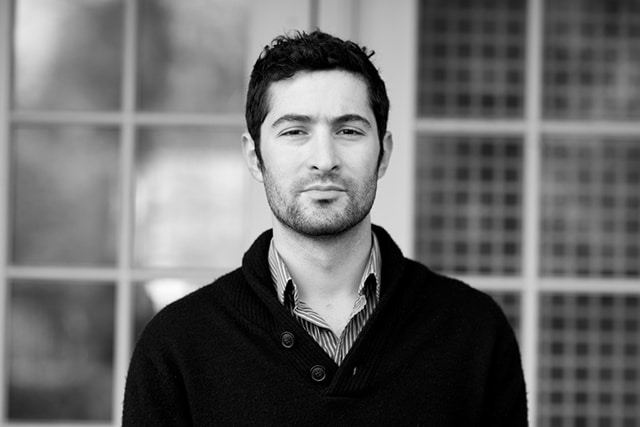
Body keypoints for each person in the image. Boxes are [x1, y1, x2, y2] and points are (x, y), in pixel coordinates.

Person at [123, 30, 528, 426]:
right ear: (254, 156)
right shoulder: (177, 346)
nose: (324, 159)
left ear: (383, 154)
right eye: (295, 131)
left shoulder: (474, 333)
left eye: (348, 131)